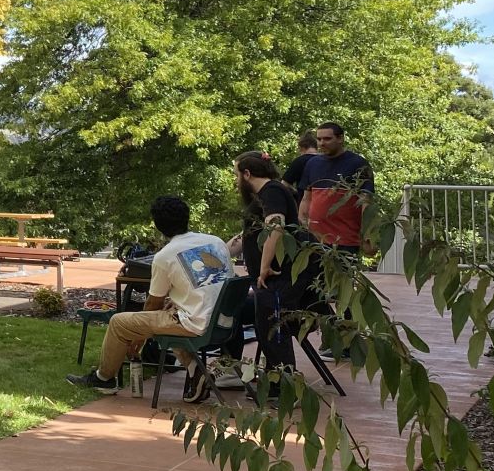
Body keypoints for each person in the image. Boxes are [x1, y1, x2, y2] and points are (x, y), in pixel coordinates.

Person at [67, 194, 232, 403]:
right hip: (223, 322)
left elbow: (152, 304)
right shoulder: (215, 242)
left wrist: (138, 337)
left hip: (196, 324)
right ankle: (195, 370)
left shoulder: (166, 256)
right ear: (187, 216)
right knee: (168, 313)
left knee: (119, 322)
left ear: (157, 226)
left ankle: (104, 379)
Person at [236, 150, 321, 377]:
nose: (236, 182)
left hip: (278, 276)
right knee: (267, 329)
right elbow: (251, 232)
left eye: (237, 176)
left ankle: (285, 385)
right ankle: (276, 380)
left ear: (246, 173)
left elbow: (276, 226)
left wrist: (263, 267)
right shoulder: (268, 193)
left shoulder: (271, 190)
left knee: (275, 330)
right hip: (274, 277)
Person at [298, 122, 375, 257]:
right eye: (319, 139)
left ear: (340, 139)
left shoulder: (358, 164)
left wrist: (368, 234)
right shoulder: (312, 164)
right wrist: (303, 222)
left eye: (327, 139)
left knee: (342, 277)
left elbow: (366, 201)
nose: (322, 143)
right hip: (314, 241)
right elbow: (306, 198)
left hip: (346, 241)